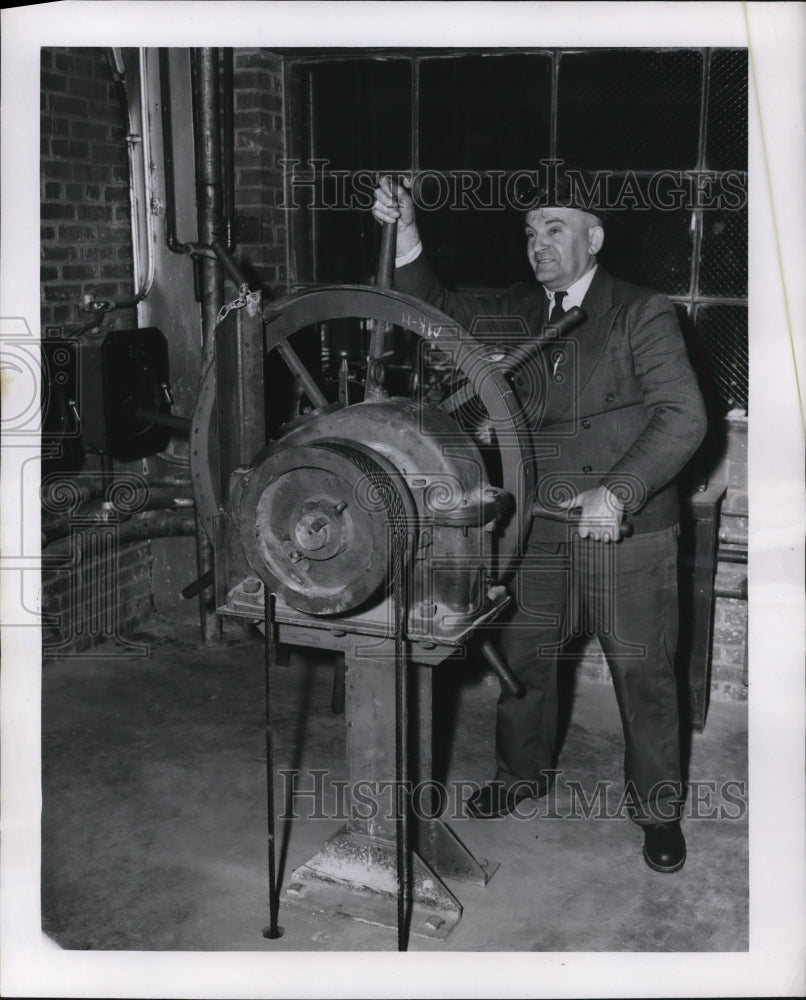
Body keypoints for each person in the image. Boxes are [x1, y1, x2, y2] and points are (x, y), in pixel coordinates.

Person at [372, 166, 708, 873]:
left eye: (555, 228)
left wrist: (617, 493)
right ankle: (521, 776)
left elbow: (684, 417)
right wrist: (405, 232)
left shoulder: (642, 312)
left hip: (627, 530)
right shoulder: (523, 311)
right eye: (529, 231)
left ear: (594, 237)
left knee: (643, 676)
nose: (538, 244)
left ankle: (657, 813)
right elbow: (432, 305)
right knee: (524, 663)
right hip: (540, 528)